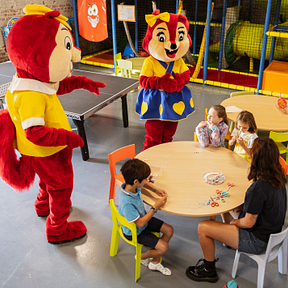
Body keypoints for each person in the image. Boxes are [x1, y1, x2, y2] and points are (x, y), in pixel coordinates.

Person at [186, 137, 287, 283]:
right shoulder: (278, 176)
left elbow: (248, 223)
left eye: (252, 153)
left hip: (257, 240)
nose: (250, 155)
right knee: (225, 205)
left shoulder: (259, 188)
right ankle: (228, 239)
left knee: (203, 228)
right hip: (272, 231)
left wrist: (235, 223)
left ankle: (209, 270)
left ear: (258, 159)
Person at [119, 159, 174, 275]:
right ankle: (141, 256)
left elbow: (143, 186)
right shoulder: (127, 203)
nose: (147, 181)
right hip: (135, 231)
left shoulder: (131, 186)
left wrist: (155, 189)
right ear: (136, 181)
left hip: (143, 219)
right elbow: (140, 224)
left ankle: (154, 262)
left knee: (169, 230)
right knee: (163, 248)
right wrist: (155, 207)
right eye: (145, 179)